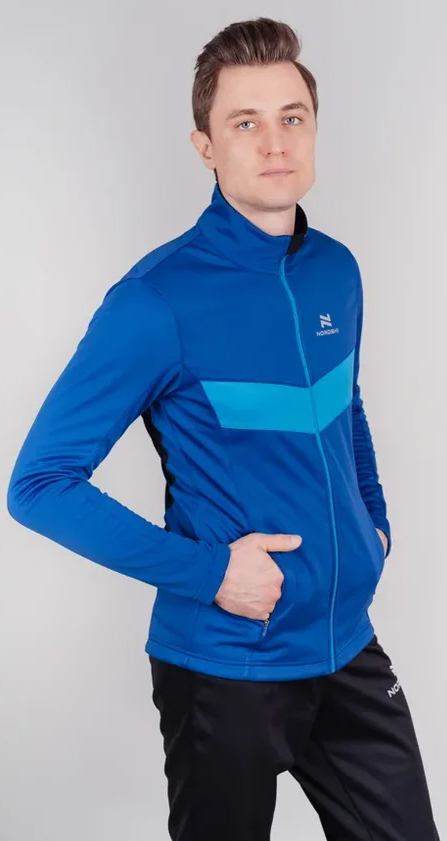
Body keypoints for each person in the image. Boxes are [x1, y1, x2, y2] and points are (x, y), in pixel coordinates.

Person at [6, 15, 439, 841]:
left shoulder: (335, 269)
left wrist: (373, 523)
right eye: (245, 123)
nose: (274, 142)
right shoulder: (155, 302)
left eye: (291, 117)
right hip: (225, 665)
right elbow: (39, 485)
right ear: (204, 145)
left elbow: (343, 406)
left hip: (345, 645)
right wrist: (210, 573)